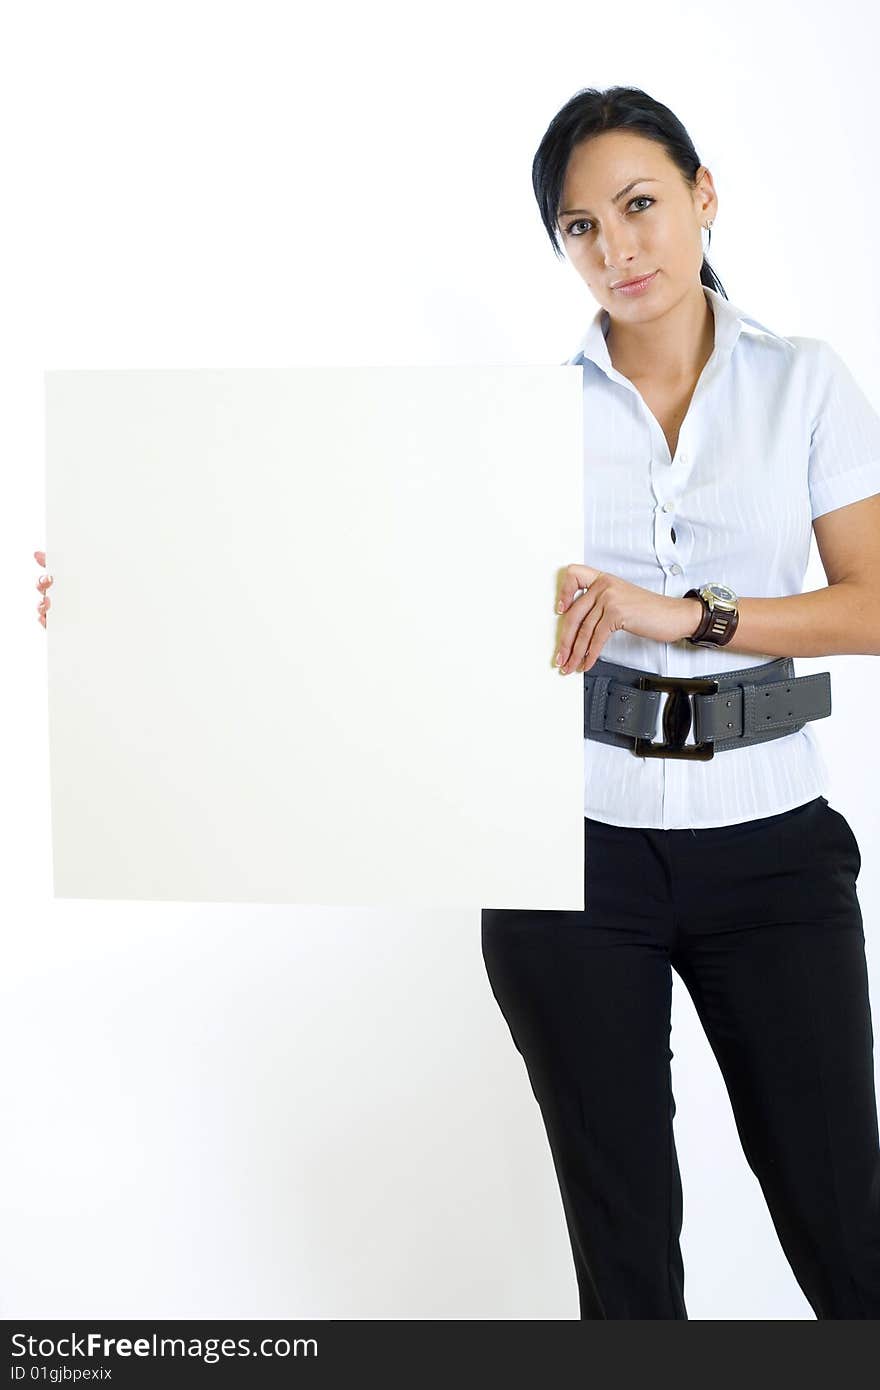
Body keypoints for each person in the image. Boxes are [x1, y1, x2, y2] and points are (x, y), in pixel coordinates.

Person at [481, 85, 880, 1319]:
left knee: (847, 1235)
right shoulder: (523, 423)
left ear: (703, 198)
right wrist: (138, 605)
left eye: (639, 205)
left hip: (772, 851)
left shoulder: (802, 382)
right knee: (626, 1264)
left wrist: (691, 615)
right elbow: (371, 601)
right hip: (570, 858)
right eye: (579, 227)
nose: (616, 248)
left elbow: (871, 602)